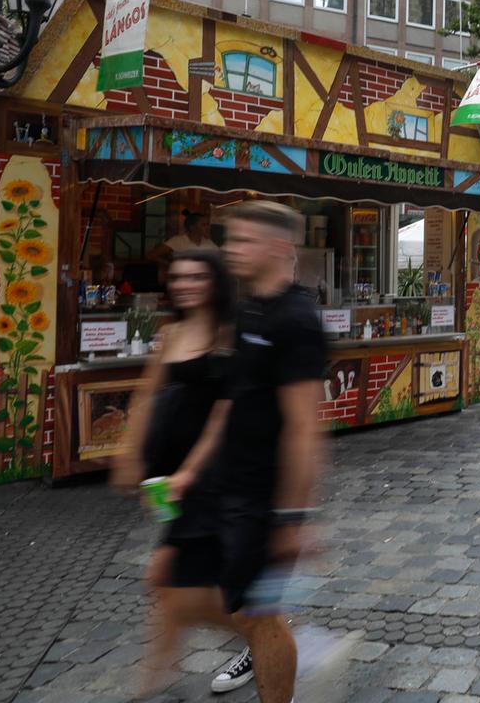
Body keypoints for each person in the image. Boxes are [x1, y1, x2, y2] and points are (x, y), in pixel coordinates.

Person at [162, 201, 342, 703]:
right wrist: (190, 472)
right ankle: (304, 647)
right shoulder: (248, 312)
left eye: (242, 241)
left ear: (279, 248)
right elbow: (228, 402)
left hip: (263, 496)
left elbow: (305, 428)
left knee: (257, 616)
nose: (228, 249)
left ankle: (296, 658)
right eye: (229, 238)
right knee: (201, 591)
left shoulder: (297, 320)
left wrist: (291, 517)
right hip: (228, 487)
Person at [112, 251, 245, 695]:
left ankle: (267, 637)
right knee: (166, 581)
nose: (185, 284)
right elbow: (146, 396)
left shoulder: (228, 335)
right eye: (178, 277)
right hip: (165, 479)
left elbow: (221, 416)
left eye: (196, 276)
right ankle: (156, 679)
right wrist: (130, 453)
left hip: (207, 479)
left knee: (172, 582)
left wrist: (189, 471)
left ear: (216, 281)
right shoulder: (169, 334)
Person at [149, 211, 217, 267]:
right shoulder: (178, 240)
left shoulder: (208, 242)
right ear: (192, 227)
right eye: (203, 225)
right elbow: (152, 255)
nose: (207, 227)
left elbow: (220, 258)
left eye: (208, 224)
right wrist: (171, 266)